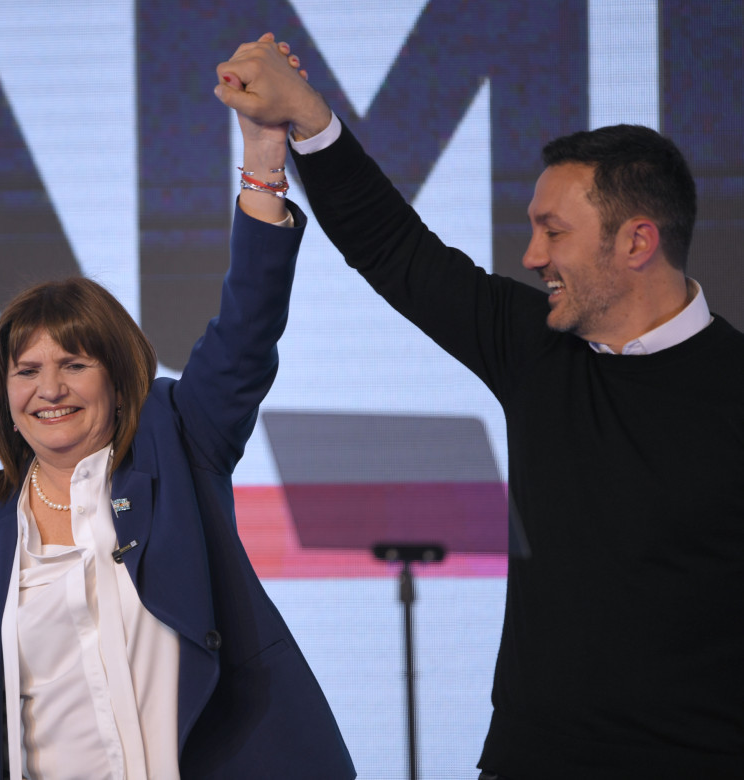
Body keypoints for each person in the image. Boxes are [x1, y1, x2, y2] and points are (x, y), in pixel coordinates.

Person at [215, 33, 744, 780]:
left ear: (637, 242)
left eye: (553, 232)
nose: (531, 257)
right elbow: (394, 248)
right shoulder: (534, 349)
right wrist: (307, 116)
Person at [0, 78, 357, 779]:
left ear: (116, 376)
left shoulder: (178, 445)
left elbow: (246, 329)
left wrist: (264, 157)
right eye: (26, 371)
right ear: (3, 394)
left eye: (73, 364)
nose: (48, 389)